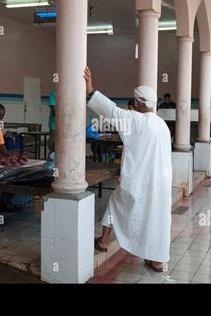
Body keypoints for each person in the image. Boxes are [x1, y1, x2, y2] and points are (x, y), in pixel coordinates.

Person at [84, 66, 172, 273]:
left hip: (138, 182)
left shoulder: (135, 120)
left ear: (140, 103)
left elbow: (111, 110)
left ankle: (104, 241)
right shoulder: (162, 125)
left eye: (134, 103)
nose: (132, 106)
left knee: (116, 203)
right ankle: (157, 260)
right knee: (157, 218)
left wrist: (90, 91)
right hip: (160, 183)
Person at [48, 88, 56, 159]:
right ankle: (51, 166)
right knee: (53, 148)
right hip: (54, 127)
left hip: (65, 128)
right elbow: (54, 112)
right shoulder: (53, 94)